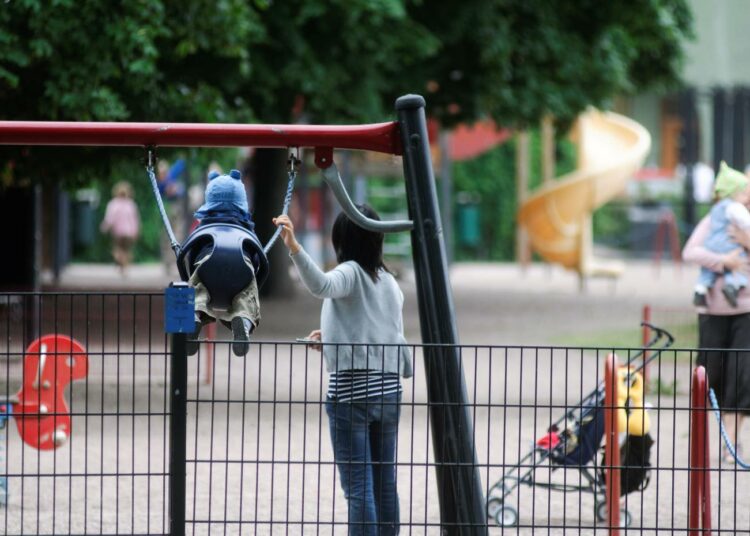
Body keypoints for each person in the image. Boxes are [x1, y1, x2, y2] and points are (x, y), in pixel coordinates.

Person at [273, 206, 412, 535]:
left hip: (352, 394)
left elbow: (320, 285)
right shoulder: (389, 282)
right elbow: (378, 327)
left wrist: (294, 246)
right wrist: (333, 337)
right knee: (384, 483)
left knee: (359, 490)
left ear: (342, 241)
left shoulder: (349, 273)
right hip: (389, 391)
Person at [683, 177, 750, 464]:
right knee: (713, 374)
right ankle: (719, 437)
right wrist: (724, 262)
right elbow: (691, 251)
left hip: (746, 310)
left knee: (742, 375)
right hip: (713, 310)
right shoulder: (718, 215)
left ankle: (731, 442)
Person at [187, 169, 260, 357]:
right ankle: (242, 320)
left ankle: (195, 314)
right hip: (242, 264)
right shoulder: (246, 227)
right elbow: (257, 256)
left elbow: (192, 251)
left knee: (198, 289)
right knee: (246, 295)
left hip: (207, 261)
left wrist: (191, 268)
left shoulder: (204, 225)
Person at [692, 161, 750, 307]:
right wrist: (722, 260)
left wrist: (747, 242)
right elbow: (690, 252)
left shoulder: (722, 210)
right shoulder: (730, 211)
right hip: (716, 309)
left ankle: (702, 287)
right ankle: (718, 287)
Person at [100, 181, 140, 275]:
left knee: (118, 248)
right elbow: (134, 220)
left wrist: (105, 227)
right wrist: (136, 231)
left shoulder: (113, 204)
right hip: (129, 232)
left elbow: (109, 218)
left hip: (118, 232)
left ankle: (119, 260)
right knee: (127, 250)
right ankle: (124, 266)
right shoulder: (131, 204)